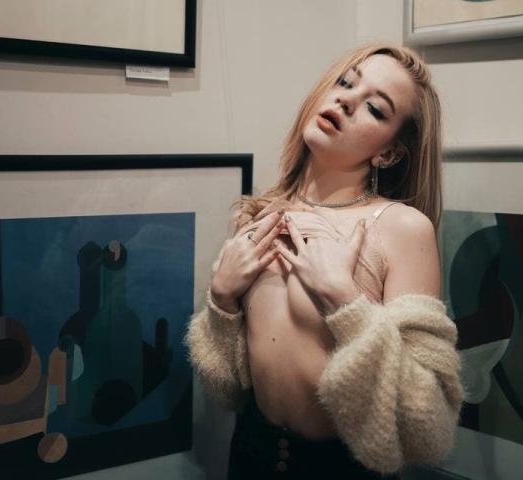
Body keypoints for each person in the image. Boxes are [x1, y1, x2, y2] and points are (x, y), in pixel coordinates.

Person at [185, 42, 465, 479]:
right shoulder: (257, 216)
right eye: (346, 82)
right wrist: (221, 299)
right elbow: (226, 389)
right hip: (249, 455)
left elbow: (427, 429)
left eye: (375, 108)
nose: (347, 101)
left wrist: (346, 303)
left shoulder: (401, 229)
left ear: (389, 153)